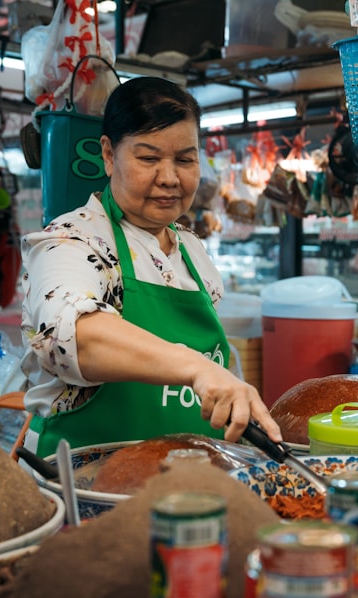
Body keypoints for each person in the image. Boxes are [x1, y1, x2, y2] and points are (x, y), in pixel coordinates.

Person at [20, 77, 282, 458]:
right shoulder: (71, 241)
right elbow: (72, 334)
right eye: (148, 158)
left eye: (184, 159)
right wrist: (194, 367)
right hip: (89, 488)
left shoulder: (192, 250)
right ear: (108, 155)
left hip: (190, 481)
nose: (169, 178)